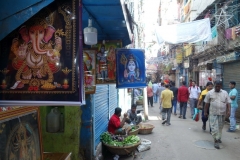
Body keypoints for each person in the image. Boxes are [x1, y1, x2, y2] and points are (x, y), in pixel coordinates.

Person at [204, 81, 231, 149]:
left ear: (221, 86)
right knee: (214, 128)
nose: (217, 87)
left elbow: (228, 103)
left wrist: (229, 111)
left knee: (220, 127)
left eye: (219, 86)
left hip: (222, 113)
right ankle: (216, 141)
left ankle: (218, 138)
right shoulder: (209, 93)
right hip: (213, 113)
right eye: (216, 86)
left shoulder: (225, 93)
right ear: (214, 86)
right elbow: (206, 103)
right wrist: (205, 112)